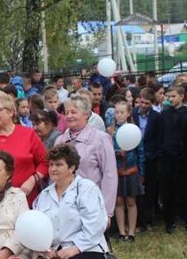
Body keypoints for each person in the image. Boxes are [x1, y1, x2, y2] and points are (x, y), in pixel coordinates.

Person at [55, 94, 118, 222]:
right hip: (66, 205)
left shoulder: (101, 138)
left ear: (86, 114)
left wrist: (107, 211)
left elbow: (109, 175)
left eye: (73, 112)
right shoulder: (60, 140)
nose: (69, 116)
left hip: (92, 204)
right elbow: (54, 174)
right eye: (67, 112)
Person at [0, 91, 48, 206]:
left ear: (11, 112)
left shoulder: (28, 134)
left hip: (25, 198)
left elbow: (45, 162)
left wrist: (32, 180)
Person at [108, 101, 144, 243]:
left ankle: (131, 231)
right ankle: (122, 231)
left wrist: (142, 172)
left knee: (130, 200)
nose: (119, 115)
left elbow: (140, 153)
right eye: (116, 112)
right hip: (116, 171)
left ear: (128, 113)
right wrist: (117, 152)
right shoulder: (110, 131)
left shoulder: (134, 130)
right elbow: (108, 150)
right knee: (118, 201)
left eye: (122, 112)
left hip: (131, 171)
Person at [132, 88, 162, 230]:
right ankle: (138, 220)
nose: (143, 106)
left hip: (150, 157)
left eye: (147, 103)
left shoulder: (156, 117)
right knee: (136, 189)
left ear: (152, 103)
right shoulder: (132, 114)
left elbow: (159, 138)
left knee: (150, 188)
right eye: (141, 102)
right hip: (135, 156)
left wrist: (153, 154)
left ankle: (149, 218)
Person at [159, 85, 187, 234]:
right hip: (167, 156)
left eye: (173, 96)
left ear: (182, 96)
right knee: (167, 189)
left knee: (182, 188)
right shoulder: (165, 113)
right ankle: (169, 221)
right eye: (168, 96)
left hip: (182, 157)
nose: (170, 99)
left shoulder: (185, 113)